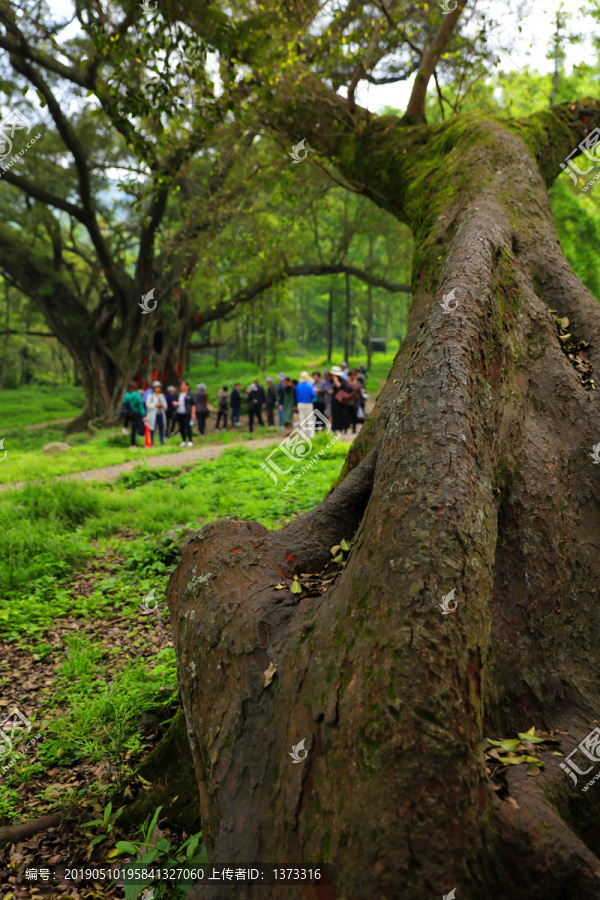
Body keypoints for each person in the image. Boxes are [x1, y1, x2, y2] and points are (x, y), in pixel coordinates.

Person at [122, 379, 145, 450]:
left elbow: (123, 403)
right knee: (134, 430)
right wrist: (143, 415)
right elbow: (140, 406)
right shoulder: (137, 395)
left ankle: (125, 428)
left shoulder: (126, 395)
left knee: (129, 424)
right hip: (135, 414)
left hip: (127, 413)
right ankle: (132, 445)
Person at [145, 380, 167, 446]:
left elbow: (166, 405)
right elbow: (147, 404)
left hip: (161, 414)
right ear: (154, 388)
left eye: (159, 387)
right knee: (152, 428)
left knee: (161, 428)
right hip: (153, 414)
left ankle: (162, 442)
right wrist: (155, 405)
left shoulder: (162, 396)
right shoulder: (150, 396)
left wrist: (162, 405)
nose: (158, 389)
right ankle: (151, 442)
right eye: (156, 387)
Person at [295, 371, 317, 436]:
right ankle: (311, 434)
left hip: (300, 404)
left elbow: (296, 395)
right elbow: (313, 395)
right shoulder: (310, 385)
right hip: (308, 404)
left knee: (302, 418)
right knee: (310, 419)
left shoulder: (298, 386)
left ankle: (303, 433)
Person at [176, 380, 195, 446]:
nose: (183, 386)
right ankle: (184, 440)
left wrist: (193, 414)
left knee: (188, 426)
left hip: (187, 413)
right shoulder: (178, 394)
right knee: (181, 427)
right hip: (179, 413)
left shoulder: (190, 394)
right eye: (181, 385)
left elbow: (193, 405)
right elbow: (174, 401)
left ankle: (190, 440)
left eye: (184, 385)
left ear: (187, 386)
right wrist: (175, 403)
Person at [330, 365, 348, 433]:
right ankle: (334, 429)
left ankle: (340, 429)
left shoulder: (342, 380)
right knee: (334, 414)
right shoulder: (332, 381)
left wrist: (335, 379)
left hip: (340, 401)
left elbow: (339, 386)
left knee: (340, 414)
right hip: (334, 400)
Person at [345, 369, 362, 434]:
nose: (352, 377)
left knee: (354, 416)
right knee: (347, 415)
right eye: (351, 375)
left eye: (354, 375)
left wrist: (360, 401)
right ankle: (346, 429)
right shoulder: (347, 383)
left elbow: (360, 393)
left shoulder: (358, 383)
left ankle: (354, 429)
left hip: (356, 401)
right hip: (348, 401)